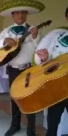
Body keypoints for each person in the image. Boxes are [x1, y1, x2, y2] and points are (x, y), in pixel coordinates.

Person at [0, 0, 45, 136]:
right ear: (13, 16)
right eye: (17, 13)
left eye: (23, 13)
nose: (20, 15)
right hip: (13, 69)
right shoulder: (7, 31)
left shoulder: (33, 30)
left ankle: (31, 128)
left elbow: (39, 49)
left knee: (29, 98)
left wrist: (35, 38)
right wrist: (4, 41)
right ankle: (14, 125)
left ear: (26, 15)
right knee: (14, 98)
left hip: (29, 69)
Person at [34, 7, 68, 136]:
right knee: (53, 120)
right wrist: (45, 58)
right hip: (57, 87)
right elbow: (50, 62)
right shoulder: (58, 36)